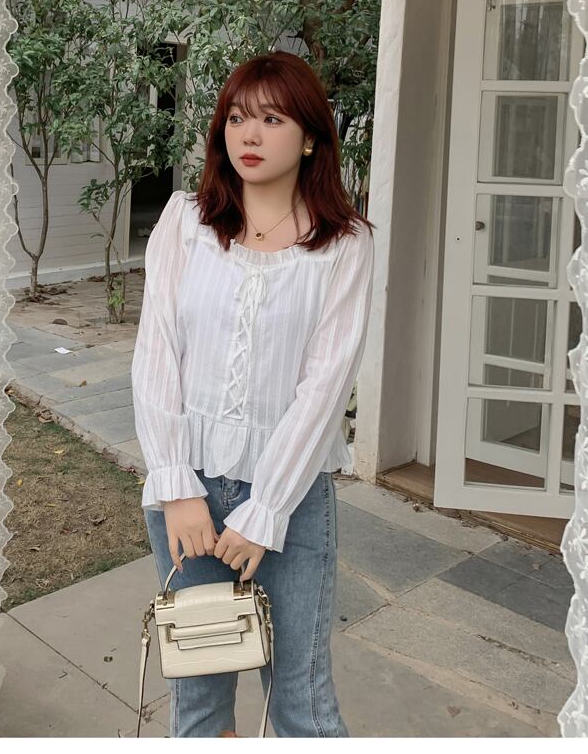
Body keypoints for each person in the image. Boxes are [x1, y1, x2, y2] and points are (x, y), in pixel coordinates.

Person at [131, 50, 375, 738]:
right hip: (188, 493)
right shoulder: (186, 221)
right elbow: (157, 356)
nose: (250, 134)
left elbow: (325, 389)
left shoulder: (345, 245)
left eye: (271, 119)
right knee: (199, 698)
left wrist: (265, 509)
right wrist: (176, 486)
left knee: (301, 701)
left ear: (311, 137)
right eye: (238, 117)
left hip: (290, 499)